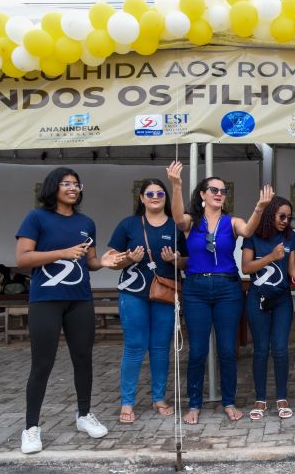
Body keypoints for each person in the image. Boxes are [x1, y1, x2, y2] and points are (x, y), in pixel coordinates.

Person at [16, 168, 125, 454]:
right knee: (42, 364)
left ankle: (84, 415)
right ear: (53, 187)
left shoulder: (86, 222)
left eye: (77, 184)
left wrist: (105, 261)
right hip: (46, 300)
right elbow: (23, 257)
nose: (73, 188)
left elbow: (89, 262)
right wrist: (61, 253)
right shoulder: (36, 218)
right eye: (66, 184)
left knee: (83, 359)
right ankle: (30, 428)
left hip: (79, 299)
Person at [167, 161, 271, 424]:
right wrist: (176, 185)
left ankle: (228, 401)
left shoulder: (231, 221)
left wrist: (259, 208)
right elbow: (178, 219)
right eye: (213, 189)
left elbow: (248, 230)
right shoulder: (192, 221)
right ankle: (194, 403)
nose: (218, 194)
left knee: (227, 350)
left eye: (223, 191)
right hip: (196, 289)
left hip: (227, 288)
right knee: (198, 350)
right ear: (202, 194)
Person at [107, 179, 187, 424]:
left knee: (161, 348)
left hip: (164, 294)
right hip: (133, 294)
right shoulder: (128, 225)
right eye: (149, 193)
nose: (155, 196)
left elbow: (187, 261)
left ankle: (159, 398)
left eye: (160, 193)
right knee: (134, 346)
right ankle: (127, 402)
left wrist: (175, 260)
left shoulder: (175, 226)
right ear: (141, 198)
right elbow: (110, 259)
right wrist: (128, 259)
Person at [242, 196, 295, 421]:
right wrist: (272, 257)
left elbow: (292, 268)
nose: (286, 221)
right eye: (282, 216)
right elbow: (246, 267)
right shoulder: (253, 234)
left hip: (282, 299)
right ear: (270, 213)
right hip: (257, 299)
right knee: (261, 350)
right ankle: (260, 399)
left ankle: (282, 398)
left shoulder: (289, 236)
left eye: (289, 217)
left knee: (281, 349)